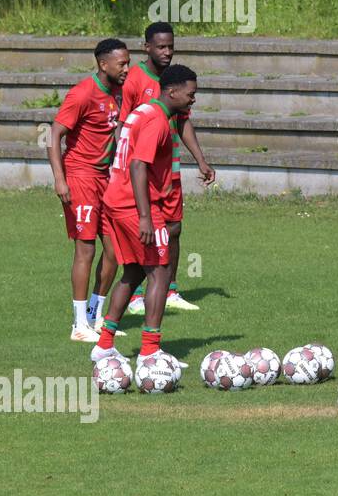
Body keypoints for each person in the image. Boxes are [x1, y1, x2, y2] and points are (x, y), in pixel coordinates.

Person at [91, 65, 200, 365]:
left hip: (117, 198)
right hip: (135, 204)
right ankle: (150, 351)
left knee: (134, 271)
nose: (193, 99)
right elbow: (139, 165)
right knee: (160, 272)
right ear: (172, 91)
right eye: (190, 94)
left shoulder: (142, 111)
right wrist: (144, 217)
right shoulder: (157, 121)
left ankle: (104, 344)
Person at [120, 22, 215, 314]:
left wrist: (200, 159)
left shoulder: (178, 81)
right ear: (146, 46)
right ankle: (136, 293)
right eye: (161, 46)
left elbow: (183, 121)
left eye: (171, 46)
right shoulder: (135, 79)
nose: (167, 52)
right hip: (143, 170)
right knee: (144, 230)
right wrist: (123, 166)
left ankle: (170, 288)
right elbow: (124, 126)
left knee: (174, 228)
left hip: (169, 171)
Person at [47, 38, 129, 342]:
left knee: (115, 249)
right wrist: (60, 178)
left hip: (104, 178)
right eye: (121, 63)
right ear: (103, 63)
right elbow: (54, 135)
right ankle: (79, 326)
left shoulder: (118, 92)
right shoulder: (82, 93)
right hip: (80, 177)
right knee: (86, 248)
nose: (126, 68)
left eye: (128, 62)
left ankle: (95, 317)